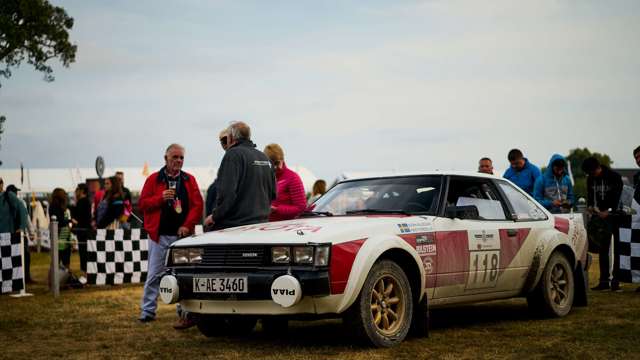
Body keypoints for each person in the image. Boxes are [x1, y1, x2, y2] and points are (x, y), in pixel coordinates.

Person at [138, 143, 203, 329]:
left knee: (184, 275)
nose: (179, 161)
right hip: (159, 236)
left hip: (182, 237)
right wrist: (160, 198)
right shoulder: (153, 179)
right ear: (165, 158)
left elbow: (197, 205)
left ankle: (186, 313)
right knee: (154, 275)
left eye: (181, 157)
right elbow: (142, 204)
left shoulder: (189, 180)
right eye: (175, 157)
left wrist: (187, 225)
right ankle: (147, 311)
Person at [204, 121, 275, 230]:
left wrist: (214, 216)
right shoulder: (264, 157)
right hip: (261, 224)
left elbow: (227, 194)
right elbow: (273, 193)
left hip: (235, 227)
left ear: (231, 138)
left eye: (225, 139)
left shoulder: (232, 155)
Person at [582, 157, 623, 291]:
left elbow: (619, 197)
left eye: (592, 173)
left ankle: (616, 280)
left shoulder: (615, 177)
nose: (591, 176)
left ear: (598, 168)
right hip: (600, 217)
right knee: (603, 249)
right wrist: (590, 206)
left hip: (616, 216)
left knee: (617, 249)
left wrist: (610, 211)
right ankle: (604, 281)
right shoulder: (590, 178)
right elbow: (589, 194)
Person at [264, 143, 306, 222]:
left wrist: (277, 209)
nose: (276, 167)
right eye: (272, 164)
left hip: (285, 227)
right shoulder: (263, 178)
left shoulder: (293, 177)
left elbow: (301, 208)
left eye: (277, 163)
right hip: (264, 225)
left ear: (283, 159)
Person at [0, 181, 30, 283]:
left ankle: (8, 283)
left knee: (8, 263)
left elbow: (23, 210)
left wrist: (21, 227)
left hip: (7, 235)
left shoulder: (8, 196)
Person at [205, 129, 230, 219]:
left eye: (226, 139)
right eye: (222, 141)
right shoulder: (229, 158)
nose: (225, 143)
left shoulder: (233, 158)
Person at [49, 188, 72, 269]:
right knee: (60, 255)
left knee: (61, 255)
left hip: (63, 233)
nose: (65, 195)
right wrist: (70, 220)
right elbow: (59, 220)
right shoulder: (55, 206)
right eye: (64, 194)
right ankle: (58, 275)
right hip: (60, 234)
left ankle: (64, 273)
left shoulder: (59, 205)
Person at [71, 183, 92, 274]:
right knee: (84, 253)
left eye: (78, 189)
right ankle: (85, 273)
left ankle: (86, 273)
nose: (76, 191)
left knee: (84, 253)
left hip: (83, 230)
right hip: (84, 230)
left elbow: (78, 217)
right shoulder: (85, 201)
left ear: (82, 191)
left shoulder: (82, 202)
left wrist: (74, 221)